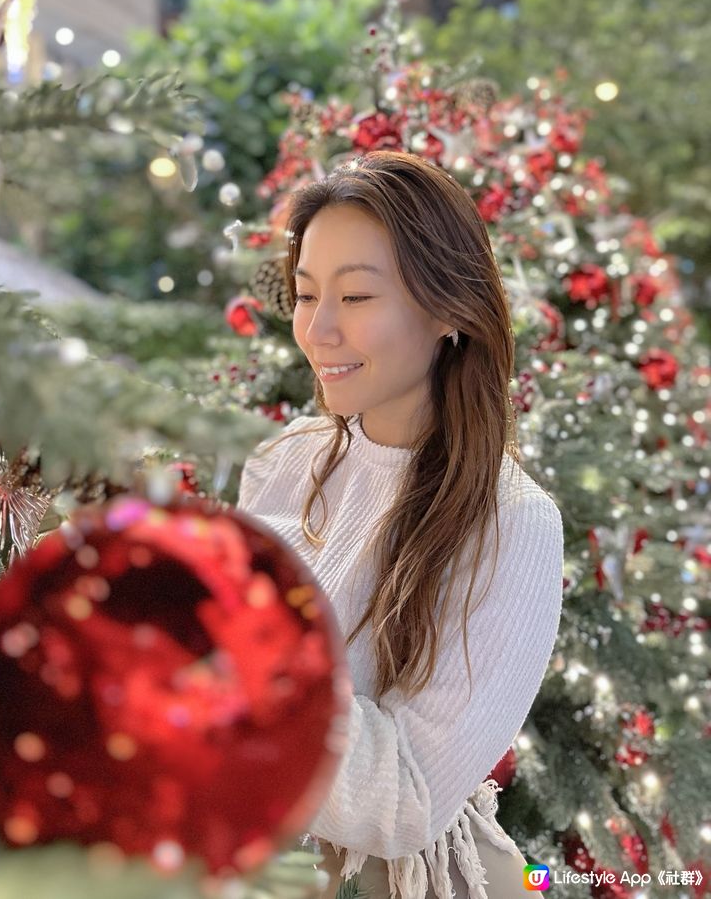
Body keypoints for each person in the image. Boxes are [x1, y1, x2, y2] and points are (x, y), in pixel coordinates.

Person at [236, 151, 564, 899]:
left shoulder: (511, 525)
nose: (317, 329)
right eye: (305, 293)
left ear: (450, 309)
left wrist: (235, 688)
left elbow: (408, 795)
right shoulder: (284, 460)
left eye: (355, 296)